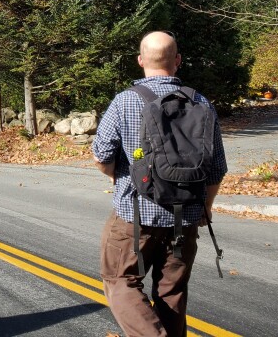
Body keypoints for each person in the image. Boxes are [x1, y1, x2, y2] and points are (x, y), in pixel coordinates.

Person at [92, 31, 227, 337]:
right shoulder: (201, 102)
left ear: (141, 61)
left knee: (120, 280)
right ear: (177, 61)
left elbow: (101, 154)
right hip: (187, 216)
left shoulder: (125, 101)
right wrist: (205, 208)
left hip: (135, 215)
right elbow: (217, 168)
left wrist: (117, 176)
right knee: (172, 293)